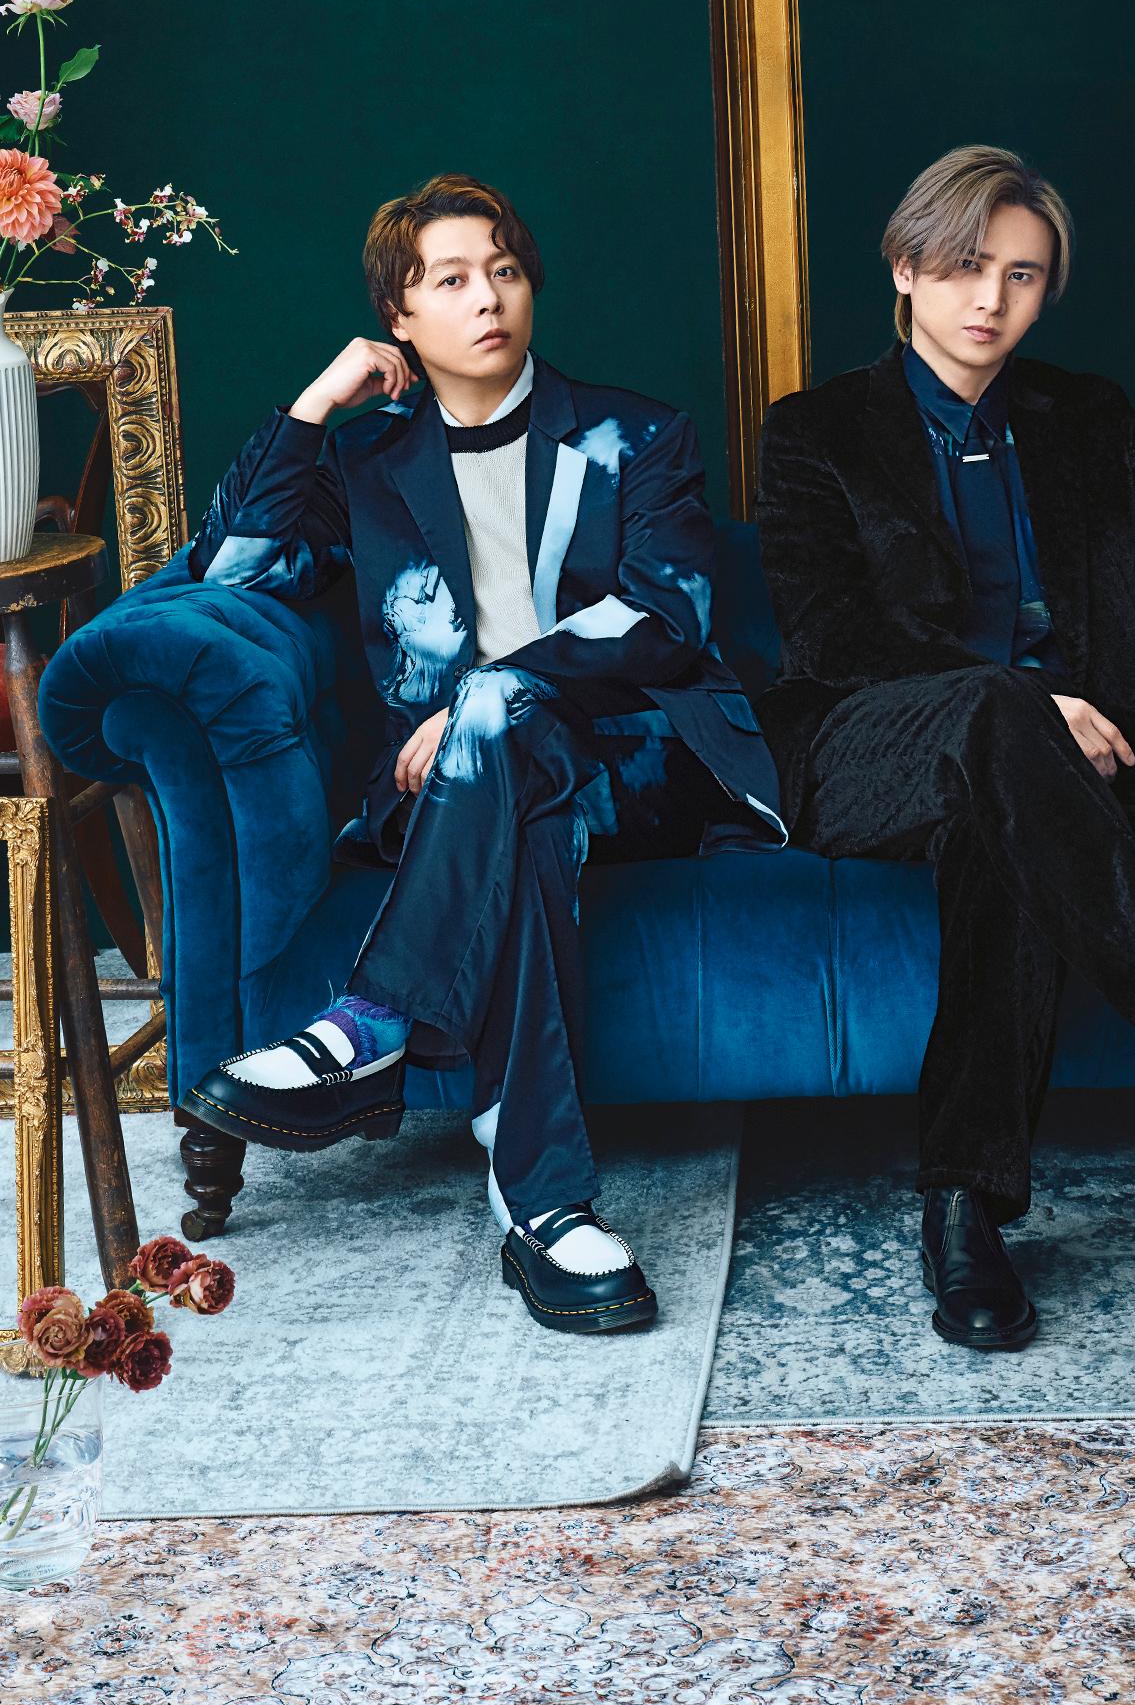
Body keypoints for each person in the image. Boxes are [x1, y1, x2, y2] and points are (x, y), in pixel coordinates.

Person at [178, 172, 786, 1333]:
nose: (488, 298)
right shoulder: (365, 466)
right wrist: (316, 405)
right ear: (398, 317)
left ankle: (368, 1027)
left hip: (637, 765)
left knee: (505, 718)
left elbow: (670, 619)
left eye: (504, 271)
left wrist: (481, 702)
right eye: (451, 280)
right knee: (521, 810)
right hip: (461, 799)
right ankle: (547, 1208)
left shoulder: (638, 435)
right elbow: (235, 573)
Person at [753, 142, 1135, 1352]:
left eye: (1021, 275)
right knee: (1000, 721)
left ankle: (965, 1214)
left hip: (1050, 783)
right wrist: (1025, 704)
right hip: (863, 749)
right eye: (965, 267)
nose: (990, 301)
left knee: (1001, 828)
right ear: (906, 270)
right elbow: (831, 636)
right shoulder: (815, 432)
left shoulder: (1085, 420)